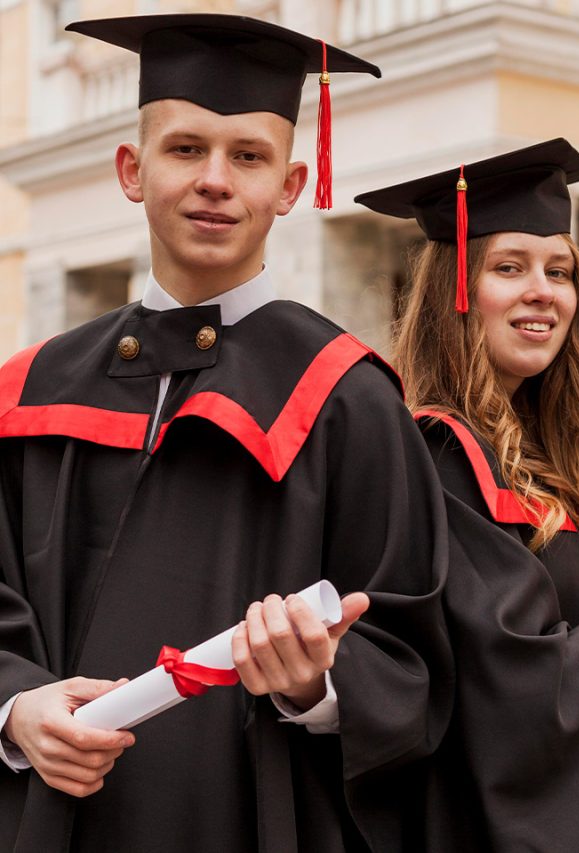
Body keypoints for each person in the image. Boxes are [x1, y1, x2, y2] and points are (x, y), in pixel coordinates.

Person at [0, 14, 453, 853]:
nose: (215, 179)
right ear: (132, 171)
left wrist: (319, 685)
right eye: (185, 149)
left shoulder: (349, 399)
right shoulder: (33, 392)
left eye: (247, 155)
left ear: (289, 184)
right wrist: (14, 704)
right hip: (50, 822)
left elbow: (418, 663)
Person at [356, 138, 579, 851]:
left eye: (559, 271)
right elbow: (515, 689)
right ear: (458, 290)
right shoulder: (441, 455)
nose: (542, 290)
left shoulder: (546, 460)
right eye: (508, 267)